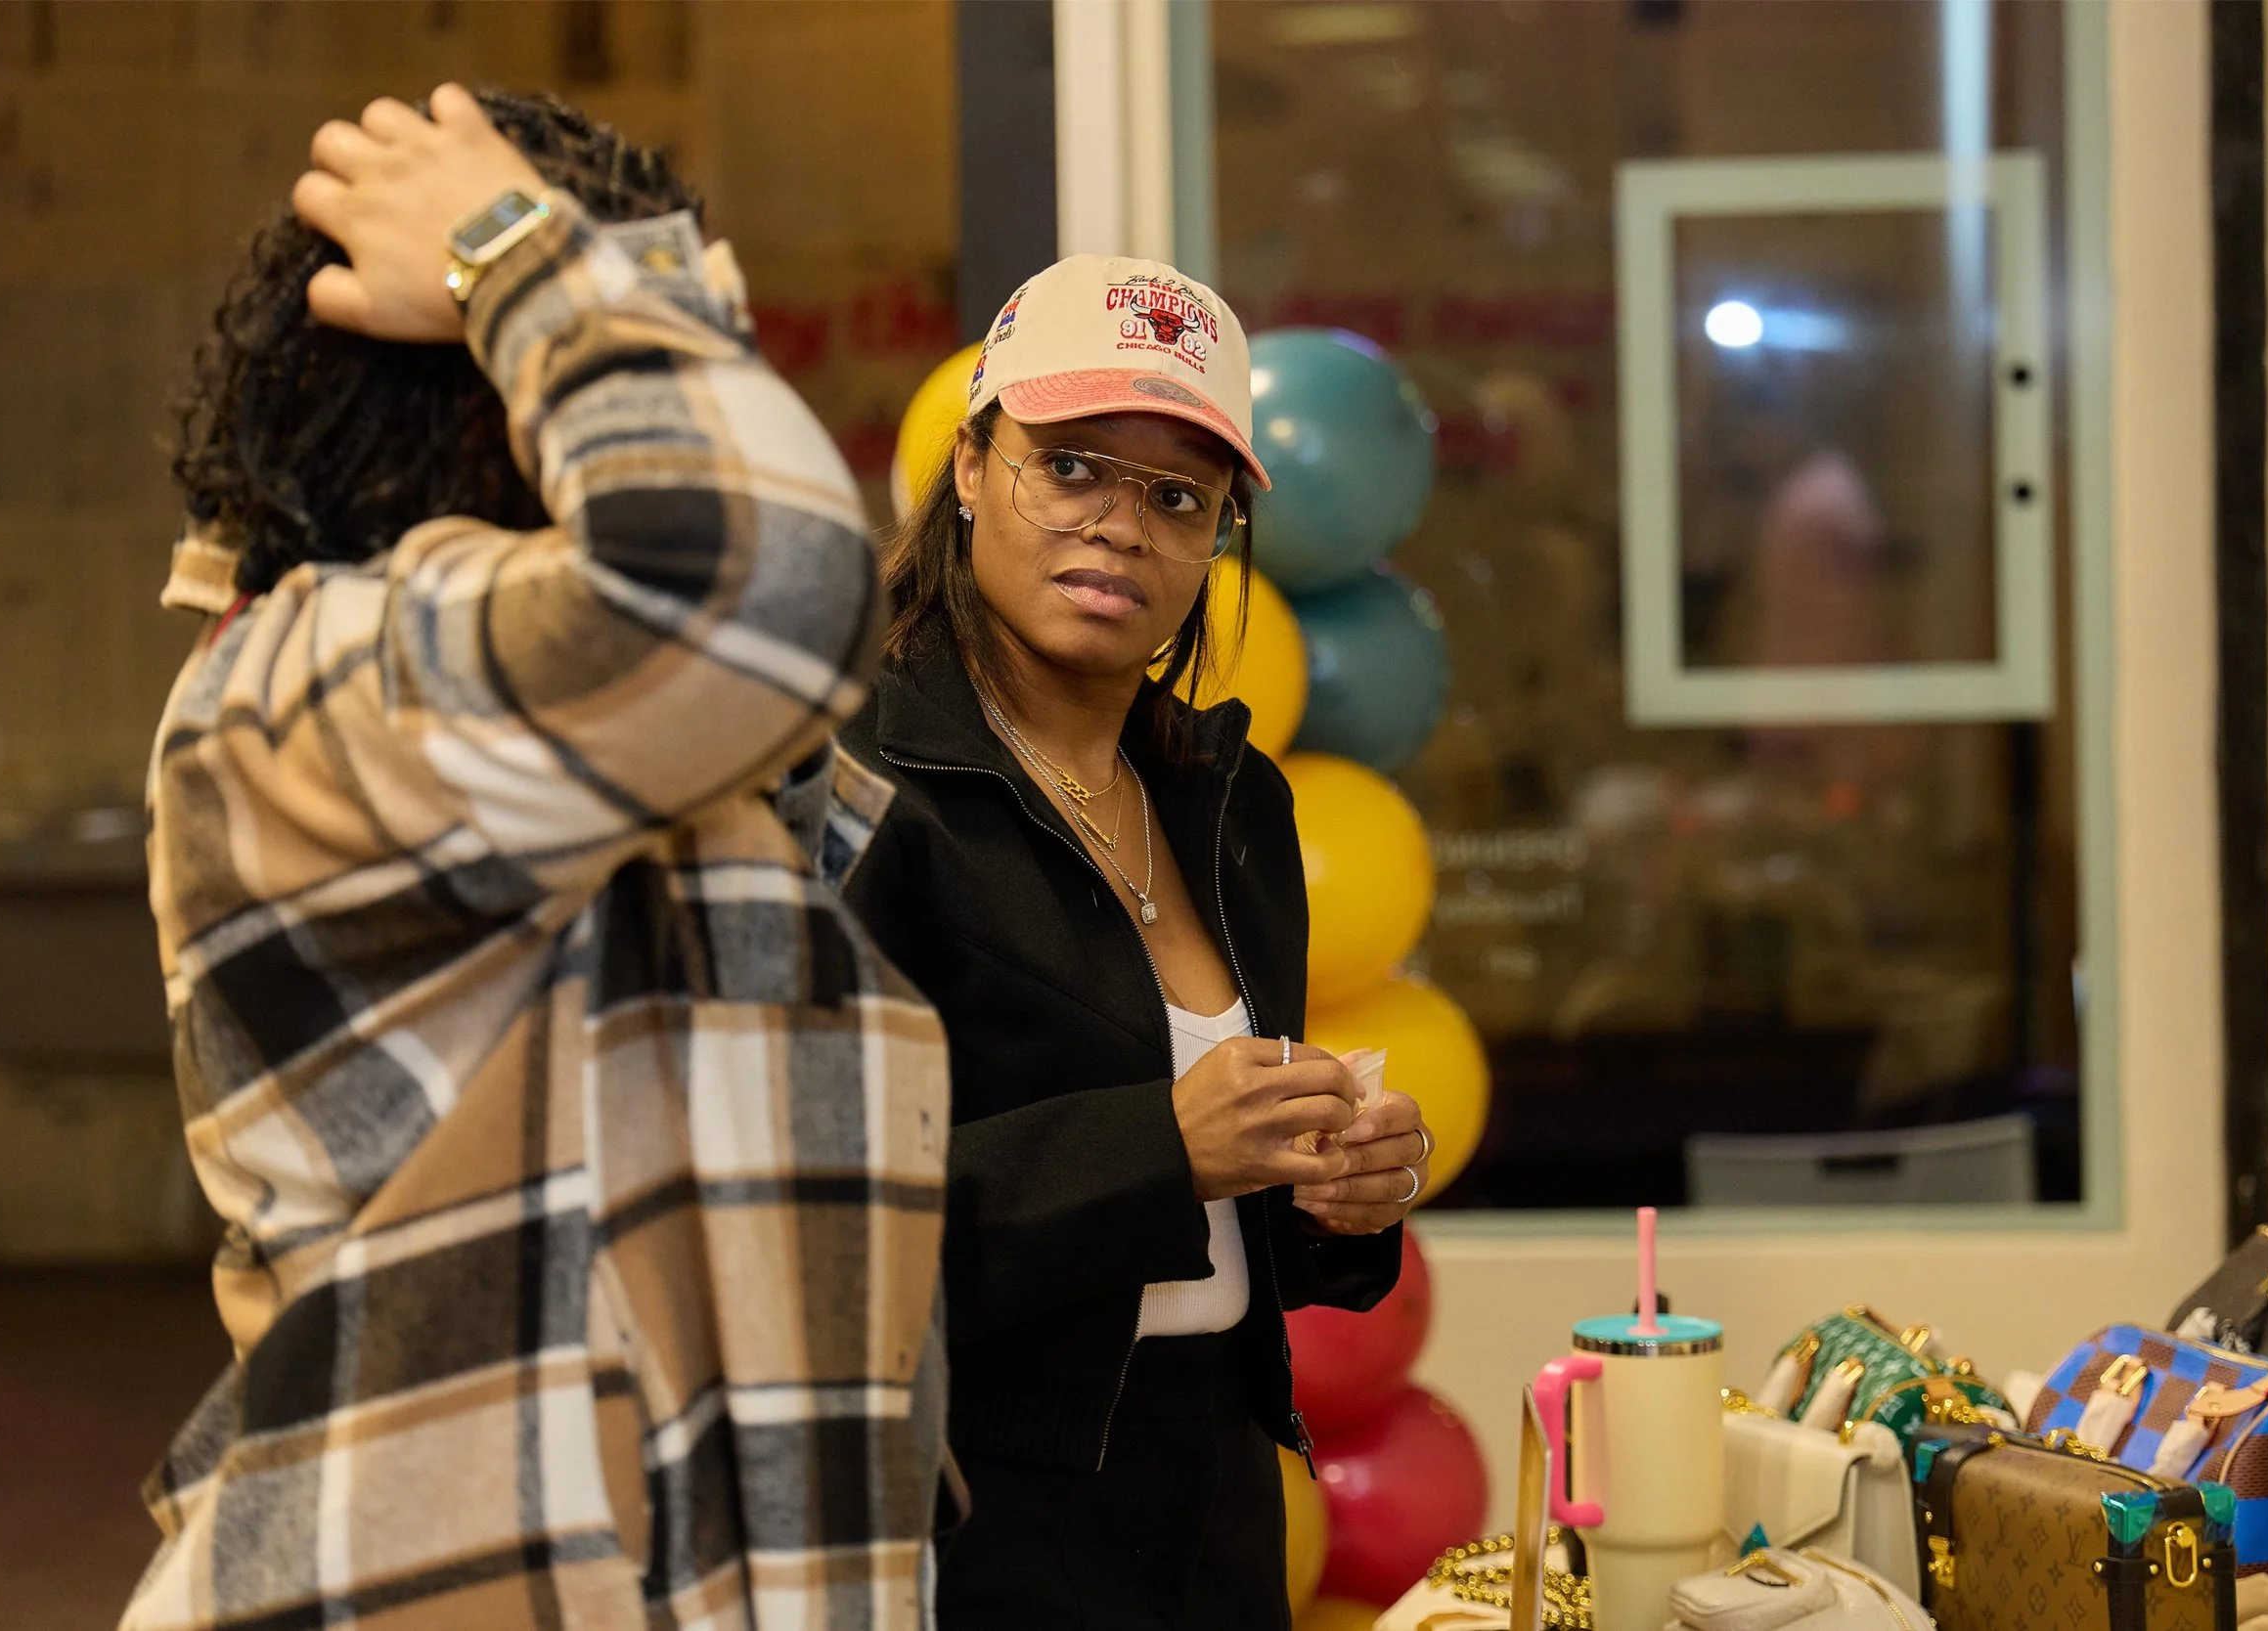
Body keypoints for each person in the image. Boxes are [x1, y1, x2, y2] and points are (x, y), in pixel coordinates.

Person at [125, 86, 948, 1630]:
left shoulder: (605, 746)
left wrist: (613, 293)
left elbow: (778, 685)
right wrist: (520, 252)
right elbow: (766, 583)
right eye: (644, 326)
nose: (700, 364)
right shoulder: (315, 688)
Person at [831, 256, 1434, 1629]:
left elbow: (1229, 1221)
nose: (1120, 527)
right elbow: (807, 1216)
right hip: (958, 1513)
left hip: (1213, 1495)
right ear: (971, 467)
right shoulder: (854, 781)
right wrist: (1162, 1147)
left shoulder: (1231, 801)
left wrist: (1341, 1195)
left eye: (1177, 496)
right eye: (1071, 468)